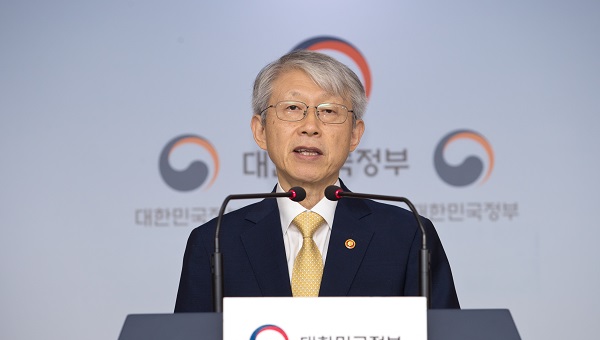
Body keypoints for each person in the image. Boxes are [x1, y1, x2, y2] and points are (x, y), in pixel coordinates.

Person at [175, 50, 459, 312]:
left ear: (355, 135)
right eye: (292, 108)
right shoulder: (216, 242)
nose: (310, 127)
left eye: (329, 111)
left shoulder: (407, 235)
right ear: (260, 130)